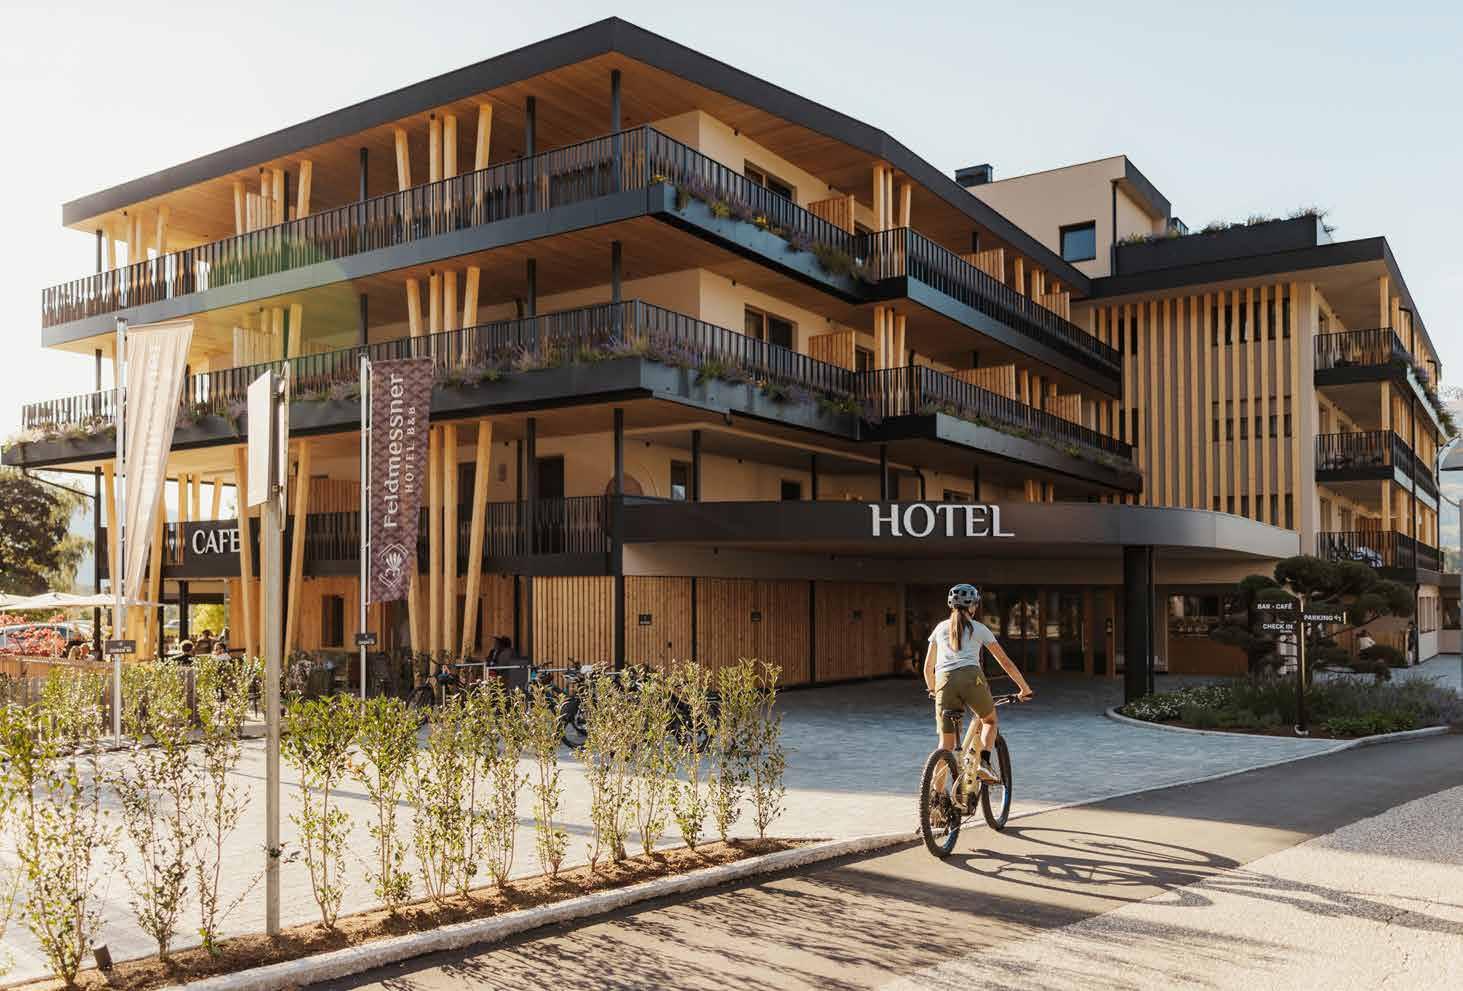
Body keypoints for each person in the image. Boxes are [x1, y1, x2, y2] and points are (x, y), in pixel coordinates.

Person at [923, 584, 1033, 787]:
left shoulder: (940, 628)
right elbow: (1005, 662)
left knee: (945, 745)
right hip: (971, 678)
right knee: (989, 720)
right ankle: (984, 762)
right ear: (973, 606)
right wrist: (1024, 688)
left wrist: (932, 690)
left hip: (943, 682)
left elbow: (928, 668)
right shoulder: (980, 629)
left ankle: (935, 799)